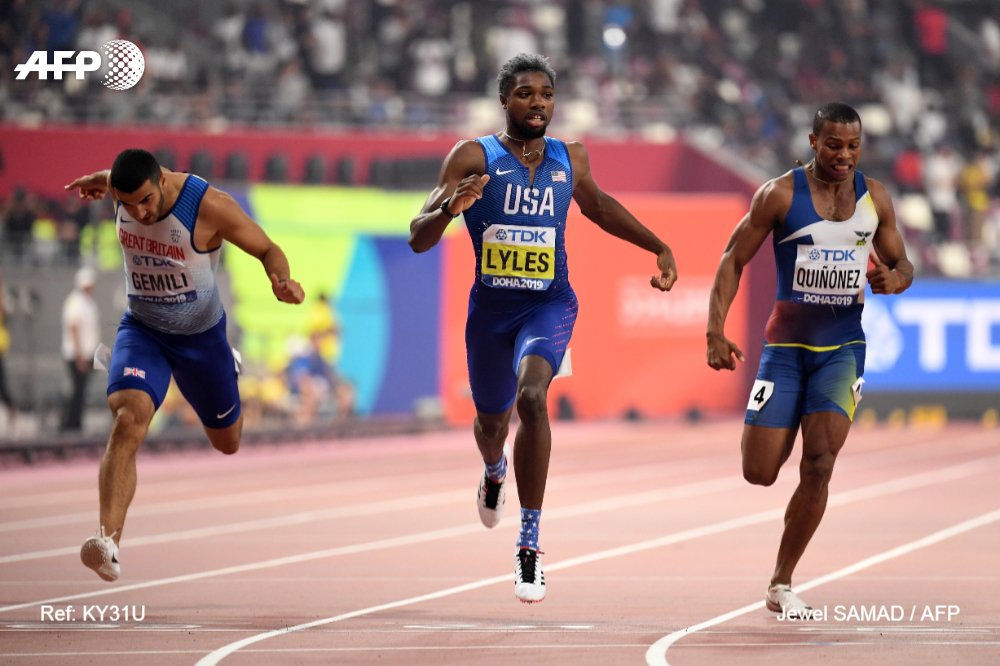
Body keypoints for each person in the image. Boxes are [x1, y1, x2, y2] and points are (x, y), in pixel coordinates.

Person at [408, 53, 677, 603]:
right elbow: (417, 235)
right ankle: (493, 470)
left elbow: (599, 208)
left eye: (547, 94)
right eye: (526, 94)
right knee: (490, 422)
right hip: (491, 313)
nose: (538, 104)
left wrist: (659, 246)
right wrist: (449, 211)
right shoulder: (471, 156)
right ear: (504, 100)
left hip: (549, 304)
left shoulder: (569, 157)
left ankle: (529, 548)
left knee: (532, 397)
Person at [705, 102, 913, 618]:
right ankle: (784, 419)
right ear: (813, 141)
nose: (844, 155)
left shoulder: (875, 198)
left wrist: (896, 280)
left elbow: (902, 262)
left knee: (819, 463)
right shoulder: (779, 194)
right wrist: (715, 329)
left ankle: (781, 581)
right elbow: (733, 259)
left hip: (842, 349)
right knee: (760, 472)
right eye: (834, 144)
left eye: (853, 146)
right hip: (785, 350)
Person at [65, 148, 305, 582]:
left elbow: (268, 248)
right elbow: (117, 180)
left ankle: (227, 369)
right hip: (143, 331)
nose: (138, 211)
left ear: (161, 181)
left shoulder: (209, 205)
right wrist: (100, 180)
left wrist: (281, 281)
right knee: (128, 416)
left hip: (200, 339)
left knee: (227, 442)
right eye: (126, 202)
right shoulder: (124, 192)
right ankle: (108, 543)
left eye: (145, 201)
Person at [60, 266, 101, 432]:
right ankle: (70, 424)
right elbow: (74, 328)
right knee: (77, 390)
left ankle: (76, 422)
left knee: (82, 390)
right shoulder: (75, 301)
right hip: (77, 355)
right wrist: (79, 356)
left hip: (88, 354)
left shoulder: (88, 302)